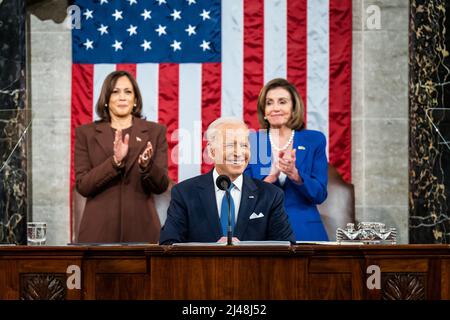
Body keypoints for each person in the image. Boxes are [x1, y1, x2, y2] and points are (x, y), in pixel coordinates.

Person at [159, 118, 295, 245]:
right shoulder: (185, 193)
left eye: (244, 145)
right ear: (212, 152)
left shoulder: (271, 195)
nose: (239, 152)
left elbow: (286, 246)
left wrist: (246, 248)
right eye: (230, 145)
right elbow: (169, 244)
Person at [74, 70, 169, 243]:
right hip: (98, 232)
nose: (122, 97)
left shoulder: (156, 132)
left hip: (143, 232)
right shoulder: (85, 133)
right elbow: (83, 186)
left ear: (135, 100)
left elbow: (161, 185)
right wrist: (114, 162)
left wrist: (147, 166)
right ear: (106, 99)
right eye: (115, 92)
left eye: (128, 92)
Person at [244, 78, 329, 241]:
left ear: (293, 107)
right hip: (262, 231)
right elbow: (244, 198)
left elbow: (319, 194)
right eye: (269, 103)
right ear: (264, 110)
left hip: (305, 231)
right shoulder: (252, 142)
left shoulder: (314, 140)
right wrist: (270, 178)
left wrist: (295, 175)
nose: (275, 108)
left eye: (282, 102)